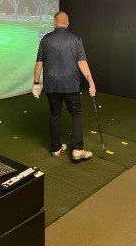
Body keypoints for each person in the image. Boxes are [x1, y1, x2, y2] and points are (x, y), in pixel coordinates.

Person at [32, 11, 96, 163]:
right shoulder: (75, 39)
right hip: (70, 85)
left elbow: (39, 64)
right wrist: (91, 81)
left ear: (55, 22)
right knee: (76, 113)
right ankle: (77, 150)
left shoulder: (46, 39)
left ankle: (55, 149)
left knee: (55, 115)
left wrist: (36, 84)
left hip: (51, 85)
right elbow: (82, 62)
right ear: (67, 22)